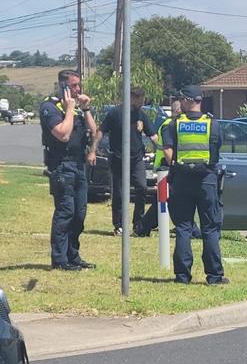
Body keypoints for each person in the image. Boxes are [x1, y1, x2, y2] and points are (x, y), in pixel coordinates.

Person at [162, 85, 228, 285]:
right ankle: (214, 276)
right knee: (209, 229)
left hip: (182, 180)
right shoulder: (212, 124)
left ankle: (182, 276)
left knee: (183, 227)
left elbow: (167, 153)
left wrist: (181, 166)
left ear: (189, 100)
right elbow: (216, 150)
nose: (180, 102)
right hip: (207, 180)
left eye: (182, 99)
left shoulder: (174, 124)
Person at [39, 69, 97, 270]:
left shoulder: (77, 107)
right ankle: (60, 259)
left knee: (80, 213)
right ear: (62, 86)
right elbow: (62, 134)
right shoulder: (50, 107)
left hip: (79, 164)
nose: (78, 89)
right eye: (74, 86)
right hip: (62, 165)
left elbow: (95, 132)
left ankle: (73, 255)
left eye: (79, 85)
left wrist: (86, 108)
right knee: (66, 211)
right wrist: (70, 109)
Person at [93, 87, 157, 236]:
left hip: (137, 159)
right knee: (119, 193)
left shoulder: (141, 115)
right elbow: (101, 131)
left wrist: (161, 148)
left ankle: (138, 224)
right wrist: (93, 150)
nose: (141, 103)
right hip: (118, 158)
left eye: (142, 100)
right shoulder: (115, 113)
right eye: (138, 100)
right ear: (131, 98)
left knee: (142, 187)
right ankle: (119, 225)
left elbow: (152, 135)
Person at [139, 98, 201, 238]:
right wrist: (174, 165)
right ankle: (189, 227)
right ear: (178, 110)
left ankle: (144, 226)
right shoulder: (170, 125)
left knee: (164, 199)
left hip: (170, 165)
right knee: (170, 199)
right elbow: (168, 149)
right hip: (169, 165)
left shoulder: (174, 124)